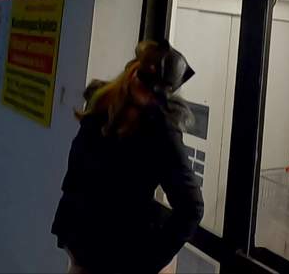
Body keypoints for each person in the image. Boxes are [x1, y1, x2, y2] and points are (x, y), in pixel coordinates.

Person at [52, 40, 204, 274]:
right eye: (146, 80)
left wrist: (146, 263)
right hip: (89, 246)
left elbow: (191, 207)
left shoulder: (157, 127)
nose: (148, 93)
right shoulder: (105, 106)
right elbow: (78, 173)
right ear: (134, 71)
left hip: (106, 251)